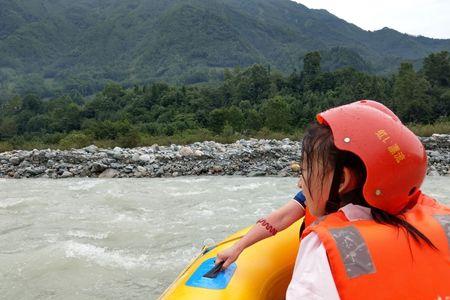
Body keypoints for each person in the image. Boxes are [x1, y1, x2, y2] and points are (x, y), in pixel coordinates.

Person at [286, 100, 450, 299]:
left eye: (304, 172)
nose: (300, 184)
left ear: (342, 181)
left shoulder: (325, 248)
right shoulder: (444, 226)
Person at [215, 190, 309, 269]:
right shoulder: (311, 193)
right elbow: (281, 218)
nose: (299, 184)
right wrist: (236, 248)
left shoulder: (316, 190)